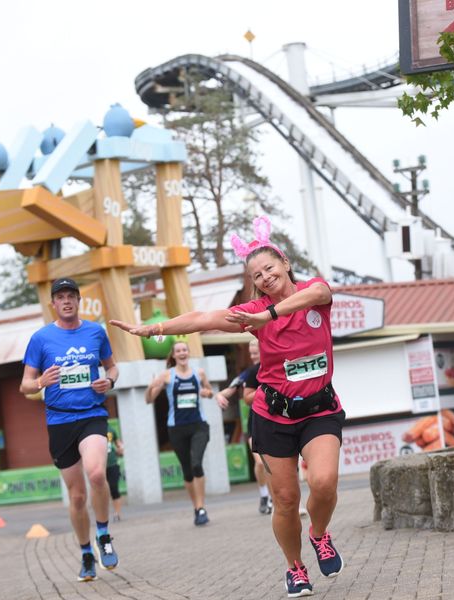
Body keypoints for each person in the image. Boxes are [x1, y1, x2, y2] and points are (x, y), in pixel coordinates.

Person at [111, 216, 345, 598]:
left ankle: (319, 535)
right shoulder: (249, 313)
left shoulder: (313, 291)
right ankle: (295, 567)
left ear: (285, 263)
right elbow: (203, 318)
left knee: (323, 482)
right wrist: (155, 329)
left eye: (269, 268)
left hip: (319, 408)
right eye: (256, 275)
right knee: (286, 499)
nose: (265, 277)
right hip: (274, 415)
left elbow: (317, 294)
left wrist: (265, 315)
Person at [20, 277, 119, 582]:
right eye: (60, 297)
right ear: (53, 304)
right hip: (60, 421)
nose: (66, 301)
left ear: (78, 301)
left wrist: (110, 381)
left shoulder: (95, 332)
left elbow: (112, 367)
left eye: (71, 296)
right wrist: (40, 383)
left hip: (92, 414)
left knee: (97, 474)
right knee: (77, 497)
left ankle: (103, 534)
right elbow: (25, 385)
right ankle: (86, 553)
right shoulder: (41, 339)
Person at [145, 340, 216, 526]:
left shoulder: (198, 373)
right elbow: (148, 400)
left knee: (196, 464)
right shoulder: (167, 376)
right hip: (176, 428)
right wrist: (150, 386)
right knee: (187, 470)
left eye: (185, 349)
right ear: (174, 355)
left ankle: (201, 507)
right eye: (178, 351)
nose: (182, 353)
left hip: (198, 425)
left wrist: (207, 394)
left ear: (188, 353)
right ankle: (196, 507)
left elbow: (208, 390)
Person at [215, 339, 273, 515]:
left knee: (274, 464)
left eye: (257, 352)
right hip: (255, 423)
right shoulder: (250, 373)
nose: (254, 355)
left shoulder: (275, 367)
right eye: (252, 353)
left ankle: (277, 499)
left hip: (276, 422)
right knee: (261, 463)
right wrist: (219, 395)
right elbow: (232, 388)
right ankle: (265, 495)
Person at [106, 424, 125, 520]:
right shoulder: (92, 428)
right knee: (102, 491)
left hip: (113, 464)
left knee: (114, 488)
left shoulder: (110, 429)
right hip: (99, 466)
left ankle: (117, 513)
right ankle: (103, 515)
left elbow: (118, 444)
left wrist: (121, 449)